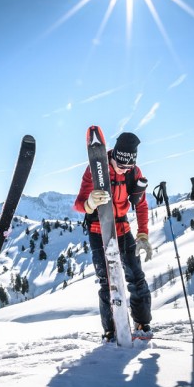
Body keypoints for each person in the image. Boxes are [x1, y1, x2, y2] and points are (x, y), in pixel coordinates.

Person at [74, 131, 153, 341]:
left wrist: (143, 234)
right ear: (114, 156)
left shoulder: (133, 172)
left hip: (123, 228)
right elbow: (78, 203)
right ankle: (110, 330)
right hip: (98, 229)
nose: (124, 169)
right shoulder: (95, 171)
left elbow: (141, 204)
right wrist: (89, 203)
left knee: (136, 276)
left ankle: (143, 323)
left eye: (128, 167)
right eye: (121, 165)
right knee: (106, 281)